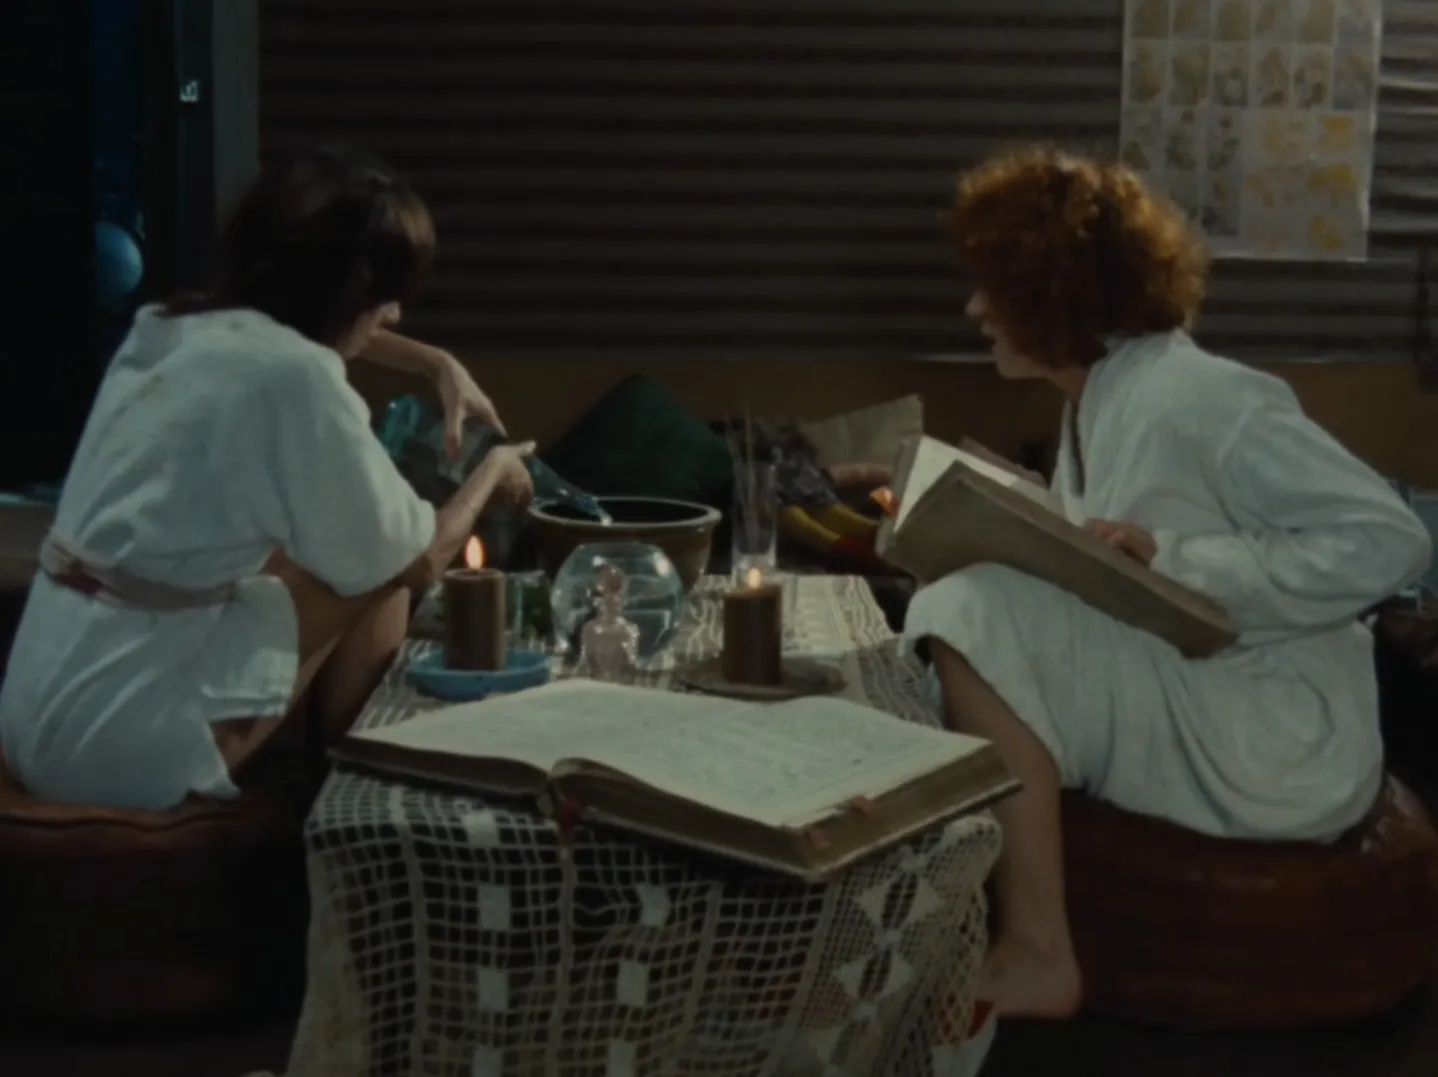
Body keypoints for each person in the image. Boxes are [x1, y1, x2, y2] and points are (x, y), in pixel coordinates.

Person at [903, 147, 1432, 1021]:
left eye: (993, 286)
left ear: (1052, 291)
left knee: (968, 609)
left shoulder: (1203, 397)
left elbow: (1390, 539)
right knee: (972, 592)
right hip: (1205, 679)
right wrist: (1014, 500)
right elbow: (1114, 537)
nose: (974, 309)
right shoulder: (1100, 398)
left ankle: (1040, 951)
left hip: (1276, 729)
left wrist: (1179, 558)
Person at [0, 146, 534, 812]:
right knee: (376, 569)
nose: (394, 316)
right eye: (386, 295)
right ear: (349, 291)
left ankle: (339, 770)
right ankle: (361, 796)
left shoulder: (167, 327)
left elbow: (282, 323)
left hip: (37, 707)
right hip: (117, 751)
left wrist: (436, 364)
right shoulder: (298, 381)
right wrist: (493, 469)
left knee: (330, 550)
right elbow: (417, 556)